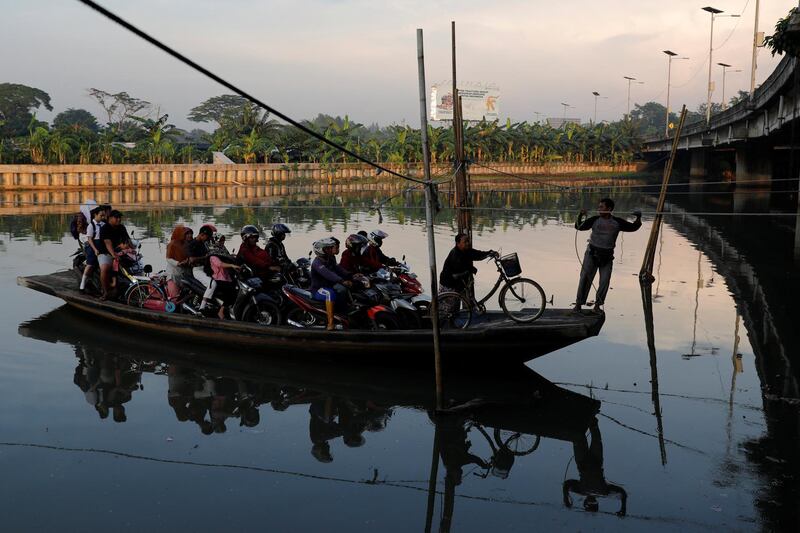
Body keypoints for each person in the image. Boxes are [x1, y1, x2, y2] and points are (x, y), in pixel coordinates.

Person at [573, 198, 642, 313]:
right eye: (599, 207)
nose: (599, 209)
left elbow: (633, 227)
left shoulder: (617, 222)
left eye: (601, 207)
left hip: (607, 257)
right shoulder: (594, 220)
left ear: (609, 209)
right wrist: (581, 215)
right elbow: (578, 226)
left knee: (605, 281)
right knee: (585, 278)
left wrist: (638, 218)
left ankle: (597, 306)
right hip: (592, 254)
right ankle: (578, 304)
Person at [563, 417, 627, 516]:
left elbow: (567, 484)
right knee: (595, 435)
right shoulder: (603, 492)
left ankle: (582, 418)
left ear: (585, 502)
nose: (591, 501)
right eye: (593, 503)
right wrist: (623, 508)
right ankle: (590, 417)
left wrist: (566, 497)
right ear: (596, 502)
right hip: (595, 461)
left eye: (589, 503)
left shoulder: (583, 490)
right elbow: (622, 492)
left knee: (579, 436)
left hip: (583, 462)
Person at [310, 237, 353, 331]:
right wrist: (342, 281)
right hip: (318, 289)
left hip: (329, 286)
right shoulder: (317, 263)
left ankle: (342, 313)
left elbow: (338, 269)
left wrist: (351, 276)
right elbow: (328, 274)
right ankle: (330, 323)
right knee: (330, 293)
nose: (330, 250)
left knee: (344, 289)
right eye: (328, 248)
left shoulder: (330, 258)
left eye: (330, 248)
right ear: (321, 250)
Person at [98, 210, 131, 300]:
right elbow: (107, 243)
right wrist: (113, 254)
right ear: (110, 218)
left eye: (120, 217)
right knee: (105, 269)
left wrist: (130, 247)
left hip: (118, 252)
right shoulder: (105, 228)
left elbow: (127, 240)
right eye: (116, 217)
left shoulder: (121, 227)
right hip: (105, 252)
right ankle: (105, 292)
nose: (119, 219)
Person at [187, 224, 217, 310]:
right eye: (207, 237)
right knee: (213, 284)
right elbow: (192, 260)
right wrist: (205, 257)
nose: (207, 239)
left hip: (206, 269)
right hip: (197, 270)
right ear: (202, 235)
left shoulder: (203, 244)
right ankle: (202, 308)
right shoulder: (192, 244)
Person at [80, 205, 106, 292]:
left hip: (101, 245)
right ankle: (82, 283)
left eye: (103, 216)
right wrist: (95, 249)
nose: (102, 217)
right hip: (93, 246)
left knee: (104, 265)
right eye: (101, 215)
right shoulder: (91, 226)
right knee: (90, 264)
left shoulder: (103, 225)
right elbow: (90, 239)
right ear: (95, 215)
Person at [208, 248, 241, 319]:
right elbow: (220, 264)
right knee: (231, 293)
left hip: (225, 279)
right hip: (218, 280)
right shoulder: (213, 257)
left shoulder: (222, 258)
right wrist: (231, 265)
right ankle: (221, 311)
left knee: (237, 290)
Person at [165, 225, 193, 299]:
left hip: (184, 273)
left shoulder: (187, 244)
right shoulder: (172, 244)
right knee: (175, 297)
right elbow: (168, 258)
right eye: (186, 234)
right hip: (173, 273)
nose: (189, 235)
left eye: (190, 233)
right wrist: (178, 263)